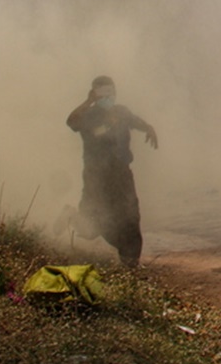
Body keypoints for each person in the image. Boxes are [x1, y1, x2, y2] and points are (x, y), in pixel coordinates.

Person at [65, 75, 159, 268]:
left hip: (122, 175)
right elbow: (71, 122)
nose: (108, 97)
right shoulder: (88, 115)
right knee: (92, 226)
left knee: (131, 217)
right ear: (94, 94)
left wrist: (149, 127)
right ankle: (71, 215)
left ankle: (130, 266)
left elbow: (135, 121)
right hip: (97, 177)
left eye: (111, 92)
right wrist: (89, 102)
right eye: (102, 93)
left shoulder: (121, 112)